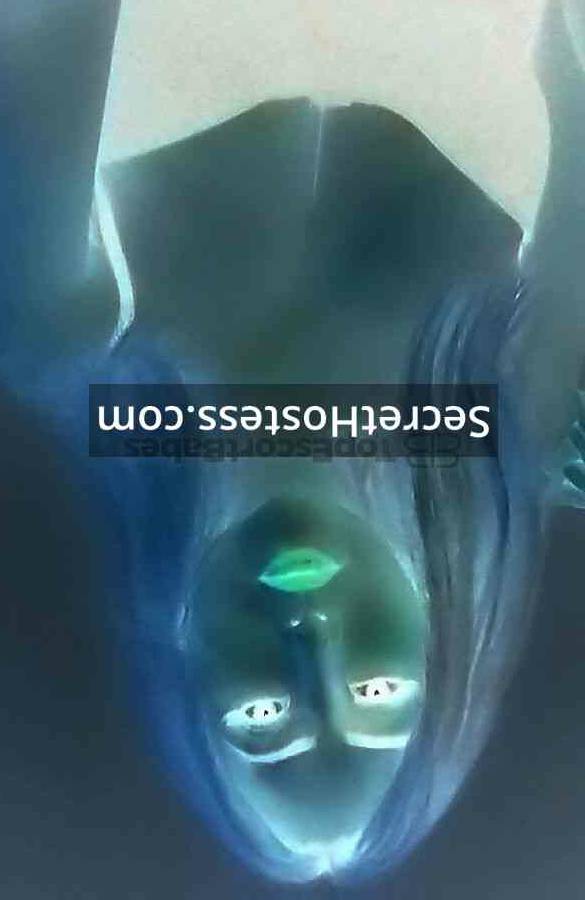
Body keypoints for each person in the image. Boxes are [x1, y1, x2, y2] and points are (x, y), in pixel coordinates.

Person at [2, 0, 585, 885]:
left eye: (262, 713)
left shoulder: (59, 334)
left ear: (188, 679)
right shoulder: (518, 391)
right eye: (375, 693)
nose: (310, 642)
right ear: (443, 659)